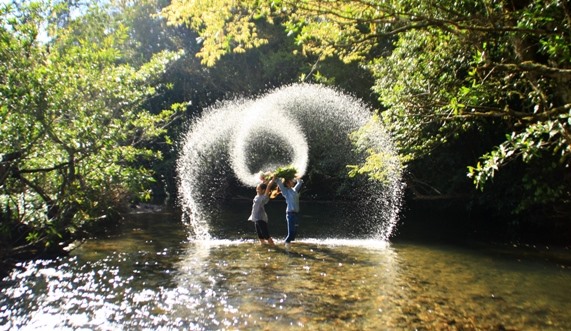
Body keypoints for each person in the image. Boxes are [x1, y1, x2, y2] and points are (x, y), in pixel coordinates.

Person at [273, 174, 303, 244]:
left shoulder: (294, 189)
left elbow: (300, 182)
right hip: (290, 214)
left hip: (296, 214)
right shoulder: (285, 191)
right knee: (291, 233)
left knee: (294, 232)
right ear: (287, 183)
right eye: (291, 181)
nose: (293, 182)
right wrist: (276, 177)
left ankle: (290, 247)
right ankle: (285, 246)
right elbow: (279, 183)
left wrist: (297, 176)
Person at [248, 180, 275, 246]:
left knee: (266, 234)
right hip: (256, 218)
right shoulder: (258, 195)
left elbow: (268, 186)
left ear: (263, 190)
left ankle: (274, 246)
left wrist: (273, 179)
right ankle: (263, 246)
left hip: (261, 218)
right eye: (257, 188)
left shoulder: (264, 197)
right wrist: (265, 180)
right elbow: (265, 185)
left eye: (258, 189)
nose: (257, 190)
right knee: (260, 235)